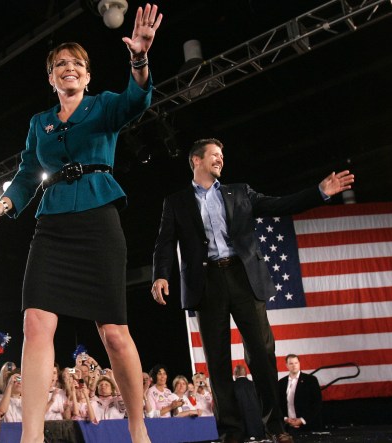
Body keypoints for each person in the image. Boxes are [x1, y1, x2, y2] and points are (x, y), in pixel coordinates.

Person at [0, 4, 162, 443]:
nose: (69, 68)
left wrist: (139, 57)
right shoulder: (38, 123)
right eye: (60, 64)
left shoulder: (103, 108)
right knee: (35, 323)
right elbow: (26, 174)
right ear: (50, 78)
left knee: (114, 334)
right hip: (52, 225)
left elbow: (137, 99)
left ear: (88, 75)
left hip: (98, 220)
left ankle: (138, 430)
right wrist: (4, 204)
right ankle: (32, 436)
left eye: (77, 63)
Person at [151, 138, 354, 443]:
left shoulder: (240, 192)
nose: (220, 160)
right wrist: (160, 276)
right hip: (207, 284)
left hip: (244, 277)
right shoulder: (176, 201)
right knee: (217, 362)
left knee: (261, 353)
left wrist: (319, 192)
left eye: (222, 156)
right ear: (196, 160)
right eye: (214, 156)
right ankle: (231, 432)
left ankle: (274, 427)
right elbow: (165, 242)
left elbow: (279, 204)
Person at [278, 355, 322, 433]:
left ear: (299, 363)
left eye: (296, 363)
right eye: (291, 363)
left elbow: (317, 403)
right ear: (286, 365)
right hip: (287, 427)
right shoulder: (281, 382)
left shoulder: (310, 380)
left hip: (307, 426)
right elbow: (278, 403)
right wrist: (285, 418)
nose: (294, 365)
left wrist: (302, 420)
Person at [233, 365, 265, 440]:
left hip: (239, 426)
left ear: (235, 374)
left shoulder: (232, 386)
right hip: (258, 424)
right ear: (246, 373)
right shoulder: (255, 385)